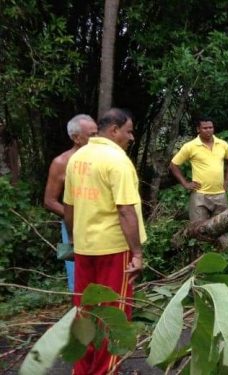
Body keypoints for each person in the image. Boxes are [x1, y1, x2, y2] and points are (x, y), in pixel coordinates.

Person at [63, 108, 146, 374]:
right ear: (114, 130)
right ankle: (104, 371)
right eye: (129, 131)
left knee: (85, 313)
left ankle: (82, 369)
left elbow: (69, 209)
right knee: (114, 316)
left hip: (85, 248)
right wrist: (137, 253)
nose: (131, 137)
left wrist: (77, 242)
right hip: (113, 249)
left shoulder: (78, 159)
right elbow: (125, 210)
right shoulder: (117, 160)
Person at [43, 114, 98, 292]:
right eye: (92, 135)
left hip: (102, 224)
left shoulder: (103, 158)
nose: (97, 139)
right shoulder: (61, 163)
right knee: (78, 278)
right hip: (73, 227)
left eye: (98, 134)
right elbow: (49, 201)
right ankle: (80, 315)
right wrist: (75, 216)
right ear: (76, 137)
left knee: (103, 273)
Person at [169, 117, 228, 249]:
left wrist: (227, 180)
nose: (208, 130)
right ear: (198, 129)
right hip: (200, 196)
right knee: (198, 230)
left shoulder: (222, 144)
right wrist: (185, 184)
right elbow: (173, 165)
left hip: (220, 195)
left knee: (222, 228)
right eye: (205, 128)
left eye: (210, 127)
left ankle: (224, 257)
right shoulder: (190, 146)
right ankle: (199, 261)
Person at [0, 119, 20, 185]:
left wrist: (15, 180)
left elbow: (15, 162)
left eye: (0, 126)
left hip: (8, 175)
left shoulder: (10, 141)